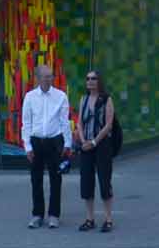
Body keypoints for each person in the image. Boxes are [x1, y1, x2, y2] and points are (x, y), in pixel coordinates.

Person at [20, 62, 70, 230]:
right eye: (45, 77)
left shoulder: (61, 96)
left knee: (56, 179)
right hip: (36, 142)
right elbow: (26, 123)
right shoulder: (29, 97)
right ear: (38, 78)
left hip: (54, 141)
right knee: (36, 180)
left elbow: (64, 122)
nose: (49, 79)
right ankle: (37, 214)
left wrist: (67, 144)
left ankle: (54, 215)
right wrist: (28, 147)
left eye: (51, 76)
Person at [73, 70, 117, 233]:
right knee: (86, 182)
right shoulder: (83, 99)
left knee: (104, 180)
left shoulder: (107, 100)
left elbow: (108, 125)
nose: (90, 81)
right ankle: (89, 219)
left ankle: (108, 219)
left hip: (102, 145)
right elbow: (79, 123)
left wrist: (94, 142)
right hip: (86, 146)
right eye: (88, 78)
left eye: (94, 78)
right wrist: (84, 141)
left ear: (99, 81)